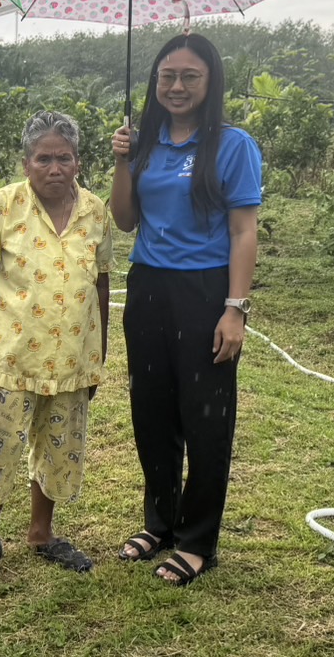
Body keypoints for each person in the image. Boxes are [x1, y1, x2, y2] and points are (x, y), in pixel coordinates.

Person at [110, 33, 261, 586]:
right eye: (166, 75)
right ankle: (159, 522)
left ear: (209, 82)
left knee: (206, 418)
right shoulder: (143, 142)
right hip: (148, 287)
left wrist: (235, 309)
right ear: (154, 82)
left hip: (206, 292)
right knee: (152, 413)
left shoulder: (232, 145)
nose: (176, 86)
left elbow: (244, 231)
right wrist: (122, 160)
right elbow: (125, 220)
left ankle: (198, 540)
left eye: (189, 76)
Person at [0, 111, 113, 580]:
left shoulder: (95, 211)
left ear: (78, 163)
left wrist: (98, 353)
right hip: (10, 359)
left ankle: (41, 533)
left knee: (59, 448)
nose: (54, 168)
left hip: (71, 361)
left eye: (63, 158)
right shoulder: (1, 207)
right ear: (26, 164)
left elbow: (102, 285)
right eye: (43, 158)